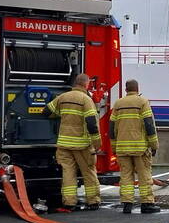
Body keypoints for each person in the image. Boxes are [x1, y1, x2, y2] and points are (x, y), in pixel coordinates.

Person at [46, 73, 102, 211]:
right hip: (81, 144)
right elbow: (91, 123)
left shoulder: (63, 97)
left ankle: (69, 202)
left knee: (68, 173)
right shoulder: (86, 100)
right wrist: (97, 142)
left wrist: (61, 114)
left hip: (64, 144)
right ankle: (93, 201)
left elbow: (46, 111)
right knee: (88, 172)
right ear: (86, 84)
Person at [110, 79, 161, 214]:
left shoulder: (118, 103)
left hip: (122, 148)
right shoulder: (142, 102)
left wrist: (114, 147)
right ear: (137, 89)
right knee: (144, 176)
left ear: (126, 89)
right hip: (140, 148)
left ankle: (127, 204)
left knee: (126, 176)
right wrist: (154, 144)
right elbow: (149, 125)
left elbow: (111, 128)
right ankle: (147, 203)